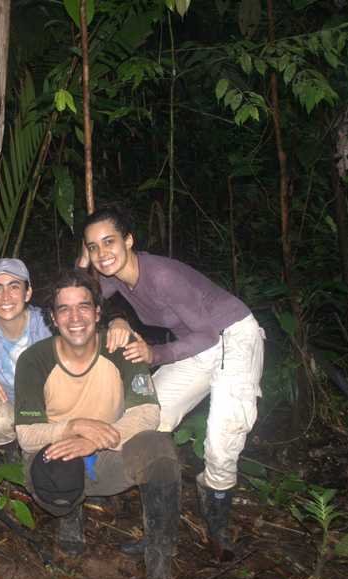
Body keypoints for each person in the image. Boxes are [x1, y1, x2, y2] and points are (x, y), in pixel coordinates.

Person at [79, 205, 265, 560]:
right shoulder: (115, 275)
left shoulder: (160, 275)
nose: (102, 253)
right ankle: (159, 530)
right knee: (147, 415)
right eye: (93, 247)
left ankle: (218, 533)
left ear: (129, 240)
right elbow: (80, 295)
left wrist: (156, 355)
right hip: (195, 344)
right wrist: (117, 317)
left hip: (233, 337)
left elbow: (209, 334)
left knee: (223, 439)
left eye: (109, 242)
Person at [14, 269, 180, 579]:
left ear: (98, 312)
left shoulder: (120, 347)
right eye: (64, 309)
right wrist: (72, 428)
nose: (75, 318)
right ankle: (70, 514)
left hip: (108, 452)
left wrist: (97, 439)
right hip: (56, 455)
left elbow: (147, 412)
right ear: (53, 317)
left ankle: (160, 562)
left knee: (160, 450)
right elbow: (27, 435)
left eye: (84, 306)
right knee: (60, 476)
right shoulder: (34, 359)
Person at [0, 258, 51, 458]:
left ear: (27, 292)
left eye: (14, 287)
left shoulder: (47, 324)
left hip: (45, 401)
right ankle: (10, 452)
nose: (5, 297)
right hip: (6, 400)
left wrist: (119, 322)